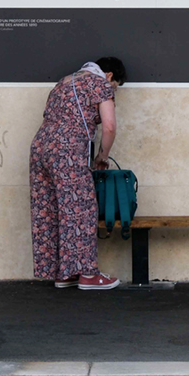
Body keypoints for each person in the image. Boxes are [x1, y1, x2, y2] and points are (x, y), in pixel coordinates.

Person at [30, 56, 127, 291]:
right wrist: (102, 158)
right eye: (116, 86)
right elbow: (110, 126)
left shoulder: (63, 82)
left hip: (40, 147)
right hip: (67, 150)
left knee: (50, 208)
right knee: (81, 207)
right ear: (111, 76)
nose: (113, 90)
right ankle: (88, 275)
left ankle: (64, 273)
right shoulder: (100, 83)